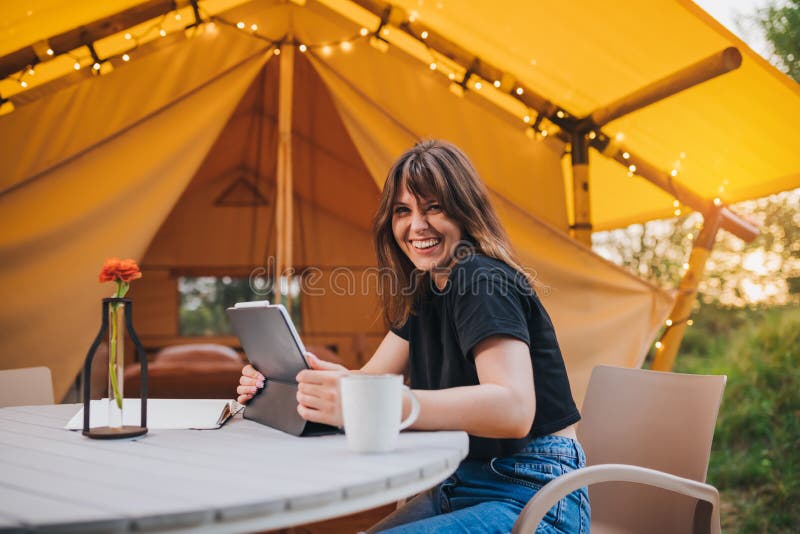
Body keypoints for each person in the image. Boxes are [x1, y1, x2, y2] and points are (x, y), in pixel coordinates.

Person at [237, 140, 590, 533]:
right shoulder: (426, 290)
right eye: (402, 211)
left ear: (465, 210)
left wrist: (381, 403)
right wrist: (297, 380)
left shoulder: (481, 277)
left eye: (433, 207)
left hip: (533, 493)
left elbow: (513, 409)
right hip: (460, 482)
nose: (416, 225)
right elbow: (370, 381)